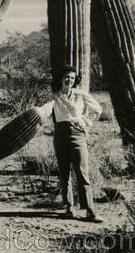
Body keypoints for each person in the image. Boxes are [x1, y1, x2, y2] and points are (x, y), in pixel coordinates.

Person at [38, 65, 103, 223]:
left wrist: (85, 121)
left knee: (82, 172)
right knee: (64, 173)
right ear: (61, 78)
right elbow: (46, 110)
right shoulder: (55, 96)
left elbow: (97, 109)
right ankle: (69, 208)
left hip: (77, 134)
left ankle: (90, 210)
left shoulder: (80, 94)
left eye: (72, 78)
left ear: (75, 80)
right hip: (60, 134)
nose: (69, 80)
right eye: (67, 77)